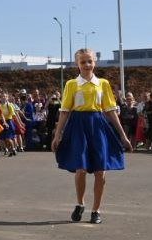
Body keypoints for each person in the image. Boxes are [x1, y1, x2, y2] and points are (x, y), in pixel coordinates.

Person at [51, 49, 132, 225]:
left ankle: (96, 210)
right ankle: (80, 203)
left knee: (100, 170)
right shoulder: (72, 84)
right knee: (80, 168)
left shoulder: (103, 83)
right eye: (83, 62)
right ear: (77, 64)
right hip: (78, 125)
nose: (87, 65)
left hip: (98, 125)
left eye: (90, 61)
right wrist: (58, 135)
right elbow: (65, 111)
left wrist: (123, 136)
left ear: (95, 62)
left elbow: (110, 111)